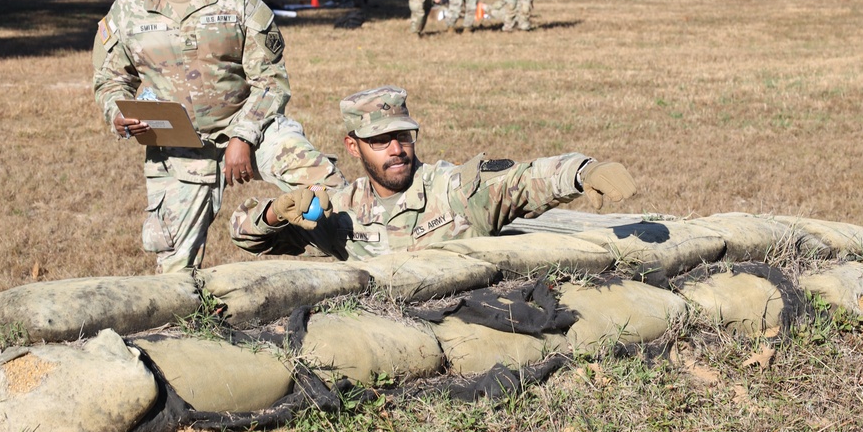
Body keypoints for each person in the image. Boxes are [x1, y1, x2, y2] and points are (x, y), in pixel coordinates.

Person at [93, 0, 340, 273]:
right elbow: (110, 79)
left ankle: (366, 265)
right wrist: (118, 114)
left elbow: (271, 79)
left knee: (327, 187)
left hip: (253, 126)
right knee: (175, 271)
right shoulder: (128, 11)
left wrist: (243, 136)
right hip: (180, 143)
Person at [230, 84, 636, 261]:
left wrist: (584, 170)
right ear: (353, 147)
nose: (396, 150)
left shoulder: (453, 189)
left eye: (403, 136)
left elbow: (523, 179)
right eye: (380, 141)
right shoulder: (338, 210)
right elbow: (243, 235)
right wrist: (273, 212)